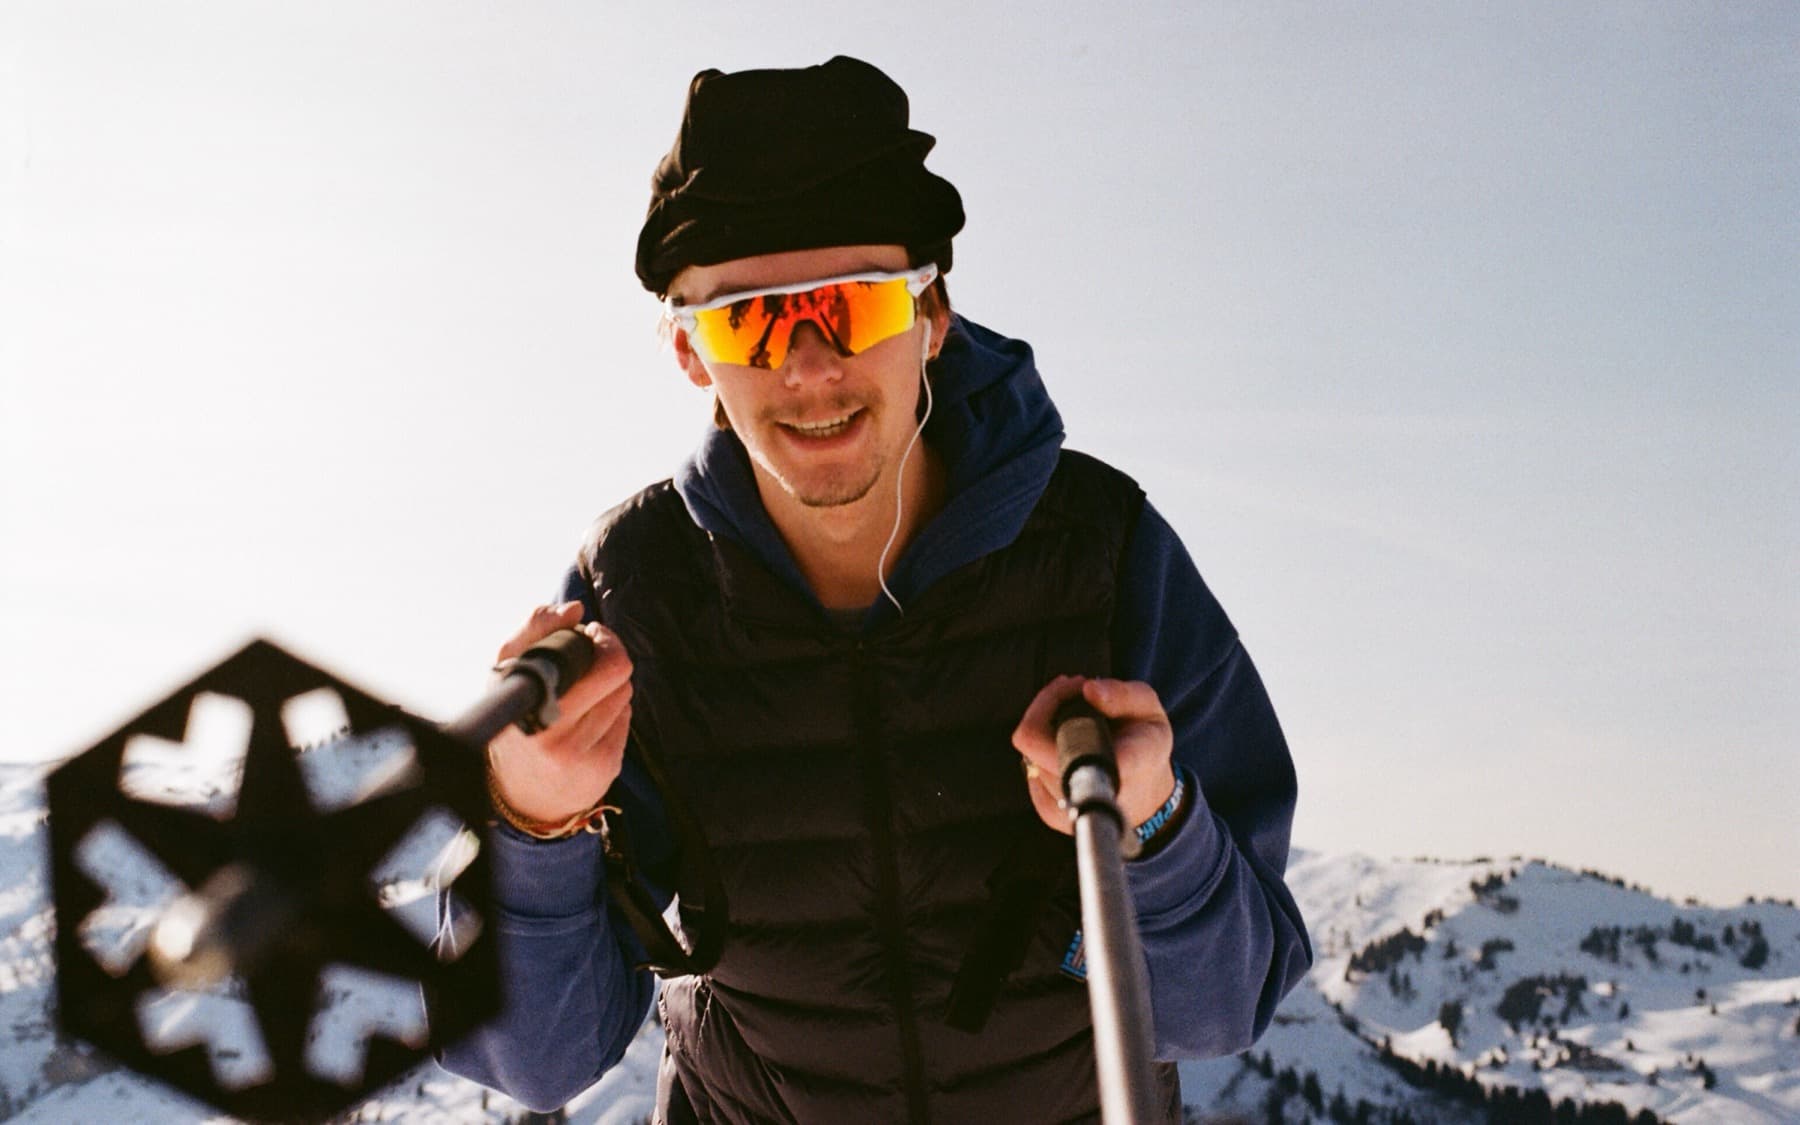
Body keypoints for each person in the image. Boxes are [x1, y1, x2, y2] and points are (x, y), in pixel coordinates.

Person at [438, 56, 1311, 1124]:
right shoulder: (638, 591)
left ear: (930, 316)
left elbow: (1223, 1008)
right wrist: (533, 825)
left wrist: (1155, 829)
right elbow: (540, 1061)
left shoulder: (1101, 551)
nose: (808, 367)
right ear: (687, 354)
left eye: (849, 308)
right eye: (751, 322)